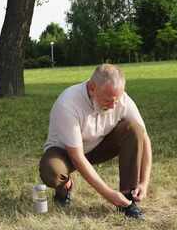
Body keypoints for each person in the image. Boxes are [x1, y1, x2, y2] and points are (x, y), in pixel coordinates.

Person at [39, 64, 152, 220]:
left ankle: (128, 200)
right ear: (92, 88)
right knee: (52, 172)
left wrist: (144, 183)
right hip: (66, 152)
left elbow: (145, 139)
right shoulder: (68, 103)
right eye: (108, 100)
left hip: (99, 146)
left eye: (117, 100)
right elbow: (77, 157)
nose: (114, 106)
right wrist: (109, 194)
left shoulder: (121, 99)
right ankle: (65, 187)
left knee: (135, 129)